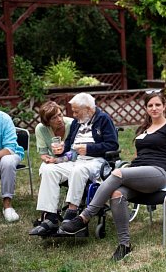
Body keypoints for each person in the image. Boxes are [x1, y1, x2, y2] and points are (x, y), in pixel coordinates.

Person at [60, 91, 166, 261]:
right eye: (150, 105)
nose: (154, 108)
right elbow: (138, 155)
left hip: (158, 172)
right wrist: (132, 170)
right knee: (117, 194)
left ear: (164, 106)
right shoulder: (143, 129)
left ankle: (84, 216)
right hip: (139, 174)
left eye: (157, 104)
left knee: (117, 172)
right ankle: (124, 245)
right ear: (146, 108)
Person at [30, 93, 119, 236]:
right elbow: (70, 143)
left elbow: (112, 145)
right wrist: (61, 148)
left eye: (76, 111)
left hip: (96, 161)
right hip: (77, 160)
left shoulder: (103, 120)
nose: (74, 115)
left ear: (89, 109)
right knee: (48, 169)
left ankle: (72, 214)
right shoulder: (77, 122)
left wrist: (89, 149)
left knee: (79, 169)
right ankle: (50, 216)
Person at [0, 95, 25, 222]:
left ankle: (7, 206)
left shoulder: (3, 119)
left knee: (7, 160)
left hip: (9, 154)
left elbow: (9, 149)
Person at [35, 101, 73, 165]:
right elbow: (43, 153)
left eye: (60, 115)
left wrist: (58, 160)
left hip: (72, 159)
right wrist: (48, 159)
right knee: (47, 169)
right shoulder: (41, 128)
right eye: (54, 118)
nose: (59, 120)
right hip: (53, 159)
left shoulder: (72, 124)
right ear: (47, 121)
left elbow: (75, 152)